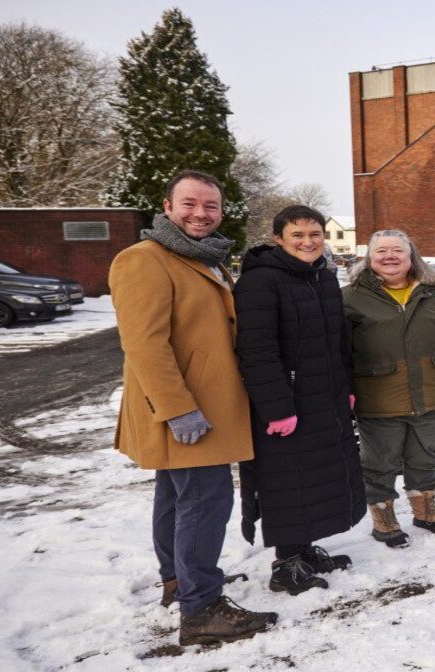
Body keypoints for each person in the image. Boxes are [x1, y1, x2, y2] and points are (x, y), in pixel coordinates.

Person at [109, 170, 277, 646]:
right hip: (186, 411)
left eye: (210, 206)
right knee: (205, 503)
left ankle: (180, 582)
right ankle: (201, 609)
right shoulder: (143, 260)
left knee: (176, 499)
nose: (200, 214)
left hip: (203, 406)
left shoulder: (204, 259)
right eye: (190, 204)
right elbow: (145, 344)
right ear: (167, 206)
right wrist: (178, 408)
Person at [233, 205, 366, 595]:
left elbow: (338, 341)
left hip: (325, 397)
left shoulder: (323, 278)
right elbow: (257, 349)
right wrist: (277, 407)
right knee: (288, 480)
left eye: (314, 234)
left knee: (317, 477)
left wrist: (347, 386)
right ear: (278, 239)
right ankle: (285, 563)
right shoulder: (260, 283)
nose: (308, 242)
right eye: (297, 235)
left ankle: (304, 550)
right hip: (287, 405)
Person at [343, 230, 435, 545]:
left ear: (411, 257)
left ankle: (426, 511)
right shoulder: (349, 298)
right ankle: (384, 518)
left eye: (397, 250)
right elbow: (338, 356)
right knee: (379, 463)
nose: (390, 257)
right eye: (381, 251)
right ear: (370, 258)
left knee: (425, 457)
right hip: (378, 401)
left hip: (432, 398)